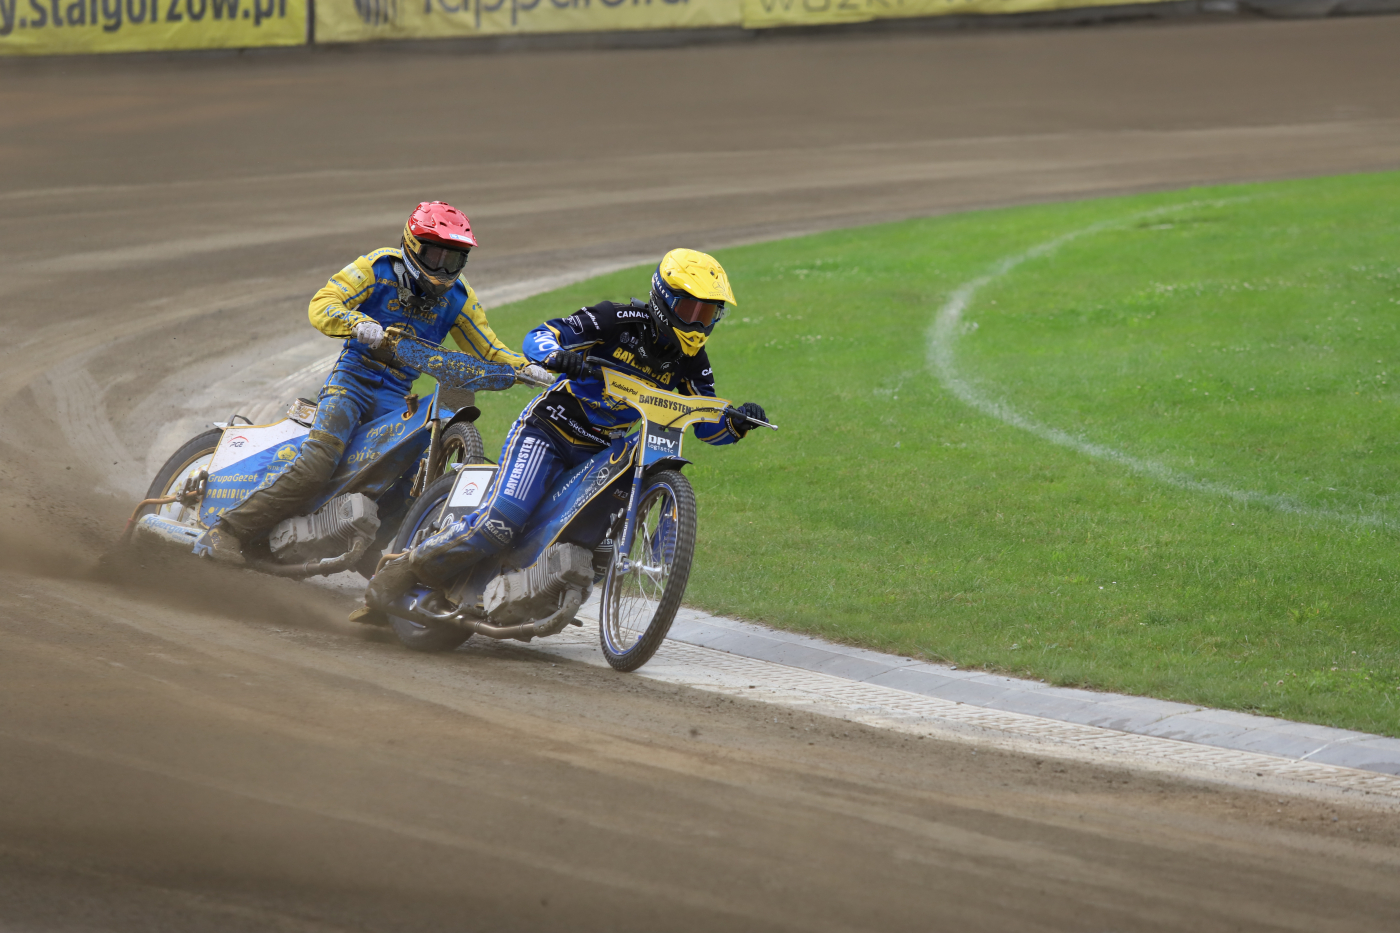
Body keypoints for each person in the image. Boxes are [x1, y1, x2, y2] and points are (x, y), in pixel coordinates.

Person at [361, 247, 768, 613]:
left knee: (594, 546)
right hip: (549, 432)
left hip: (602, 453)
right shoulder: (616, 319)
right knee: (500, 521)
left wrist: (737, 421)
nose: (699, 323)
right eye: (690, 310)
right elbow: (539, 336)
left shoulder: (694, 362)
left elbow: (708, 427)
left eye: (709, 313)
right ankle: (404, 570)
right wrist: (559, 357)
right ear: (664, 300)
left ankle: (524, 588)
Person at [196, 201, 536, 563]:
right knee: (317, 464)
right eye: (434, 254)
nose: (442, 266)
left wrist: (526, 367)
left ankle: (369, 556)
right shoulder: (375, 268)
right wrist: (355, 323)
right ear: (412, 244)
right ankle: (228, 530)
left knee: (407, 481)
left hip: (396, 397)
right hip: (351, 383)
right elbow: (322, 302)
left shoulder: (459, 297)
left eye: (453, 259)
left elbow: (489, 347)